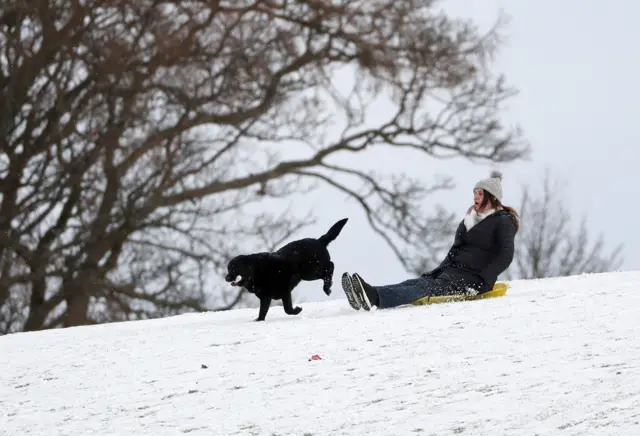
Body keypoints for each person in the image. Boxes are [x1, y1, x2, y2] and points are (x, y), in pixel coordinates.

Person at [342, 170, 519, 311]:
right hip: (452, 273)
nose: (476, 197)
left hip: (473, 280)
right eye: (475, 193)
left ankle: (373, 296)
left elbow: (506, 255)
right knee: (415, 283)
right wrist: (438, 271)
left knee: (424, 290)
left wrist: (484, 279)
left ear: (492, 197)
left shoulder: (503, 221)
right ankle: (365, 294)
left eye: (481, 193)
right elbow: (455, 250)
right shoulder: (470, 220)